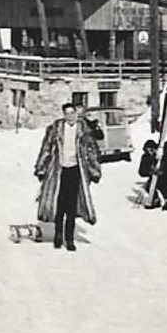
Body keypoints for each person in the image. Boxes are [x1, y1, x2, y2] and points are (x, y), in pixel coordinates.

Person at [34, 101, 102, 251]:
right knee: (59, 204)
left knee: (71, 206)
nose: (70, 116)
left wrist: (94, 170)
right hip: (58, 170)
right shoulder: (56, 129)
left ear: (76, 114)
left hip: (76, 170)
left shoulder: (84, 130)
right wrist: (41, 168)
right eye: (67, 113)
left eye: (73, 113)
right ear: (64, 115)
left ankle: (69, 239)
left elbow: (91, 152)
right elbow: (46, 149)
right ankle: (58, 235)